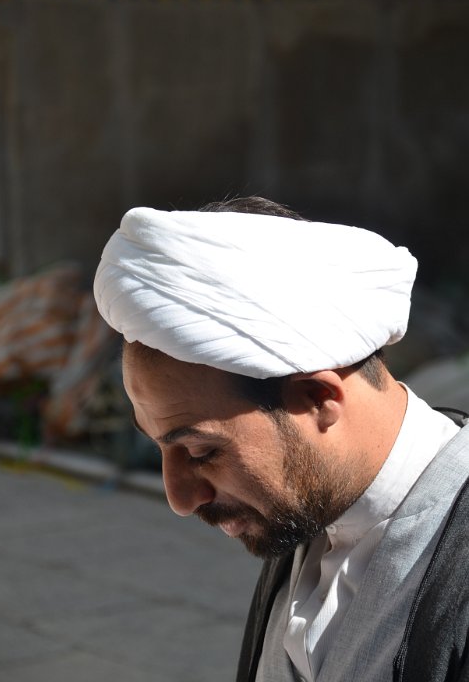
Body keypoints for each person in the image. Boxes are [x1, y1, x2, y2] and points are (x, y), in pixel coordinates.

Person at [93, 197, 469, 682]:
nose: (180, 499)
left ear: (317, 398)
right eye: (160, 446)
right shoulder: (305, 509)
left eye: (202, 452)